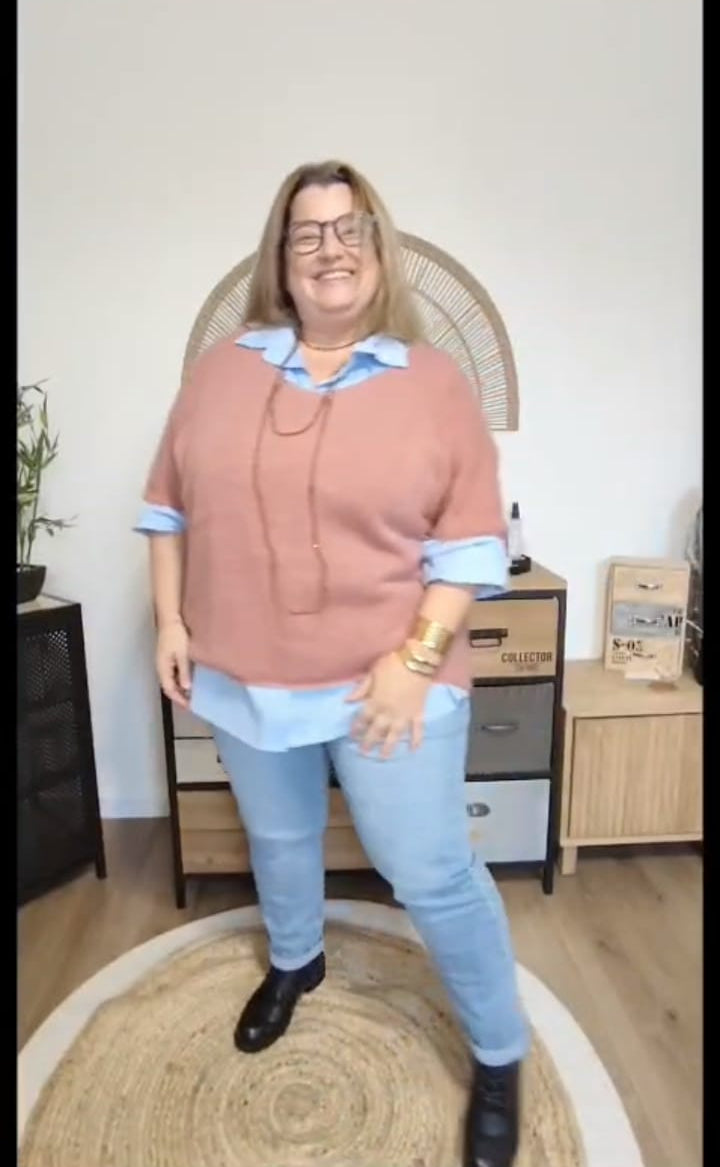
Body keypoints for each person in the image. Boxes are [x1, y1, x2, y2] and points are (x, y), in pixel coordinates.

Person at [136, 159, 529, 1167]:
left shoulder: (432, 384)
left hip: (387, 678)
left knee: (430, 870)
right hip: (244, 674)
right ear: (281, 257)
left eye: (349, 228)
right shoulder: (221, 372)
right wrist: (171, 622)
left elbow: (470, 548)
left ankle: (498, 1053)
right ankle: (296, 962)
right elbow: (168, 510)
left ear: (379, 249)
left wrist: (415, 661)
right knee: (279, 837)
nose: (330, 248)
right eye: (307, 231)